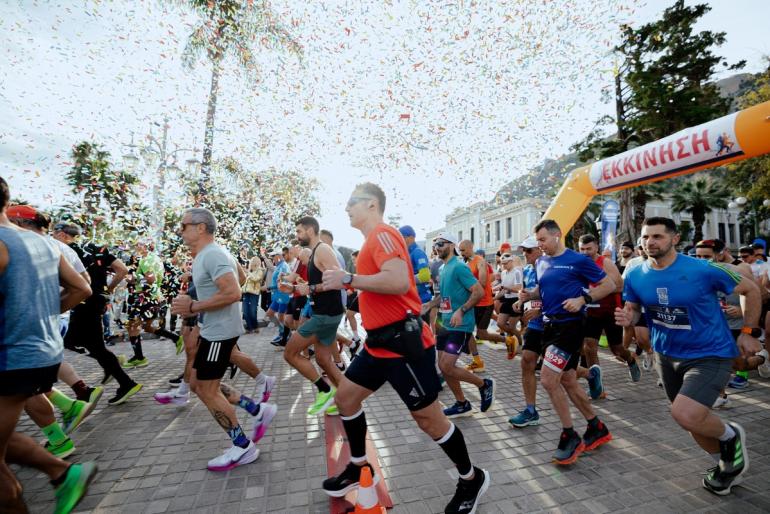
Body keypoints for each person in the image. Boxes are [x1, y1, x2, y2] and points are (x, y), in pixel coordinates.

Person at [321, 183, 489, 514]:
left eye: (351, 202)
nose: (346, 209)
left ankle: (472, 478)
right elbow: (381, 288)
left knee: (429, 420)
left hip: (404, 347)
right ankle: (358, 465)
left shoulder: (383, 233)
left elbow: (398, 281)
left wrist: (348, 279)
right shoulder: (371, 241)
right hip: (379, 345)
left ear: (371, 204)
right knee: (345, 398)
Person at [616, 217, 762, 495]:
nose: (650, 242)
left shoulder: (703, 269)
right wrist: (628, 316)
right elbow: (634, 308)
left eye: (658, 236)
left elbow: (751, 290)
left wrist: (748, 331)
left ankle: (731, 437)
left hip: (710, 352)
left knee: (685, 413)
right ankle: (727, 465)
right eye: (646, 237)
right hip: (666, 355)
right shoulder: (635, 274)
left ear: (674, 239)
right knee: (691, 420)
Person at [0, 177, 98, 513]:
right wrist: (41, 314)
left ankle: (62, 472)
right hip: (41, 352)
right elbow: (82, 290)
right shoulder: (43, 243)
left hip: (11, 356)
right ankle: (61, 471)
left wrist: (26, 316)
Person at [171, 208, 276, 471]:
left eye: (184, 226)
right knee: (198, 384)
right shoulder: (215, 253)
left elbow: (233, 293)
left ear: (201, 227)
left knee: (208, 390)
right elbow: (239, 278)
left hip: (219, 333)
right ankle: (257, 410)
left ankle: (243, 447)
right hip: (215, 330)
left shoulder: (213, 254)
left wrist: (193, 307)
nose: (180, 230)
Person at [520, 219, 615, 465]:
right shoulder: (541, 262)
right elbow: (546, 290)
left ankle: (569, 435)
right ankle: (596, 426)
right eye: (537, 241)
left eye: (542, 240)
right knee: (569, 380)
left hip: (570, 326)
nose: (539, 245)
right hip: (549, 326)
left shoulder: (578, 260)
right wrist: (529, 299)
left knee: (549, 379)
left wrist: (583, 299)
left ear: (557, 235)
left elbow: (610, 284)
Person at [422, 233, 495, 418]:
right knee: (443, 366)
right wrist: (430, 304)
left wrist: (461, 311)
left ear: (451, 245)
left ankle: (484, 384)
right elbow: (445, 296)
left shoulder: (459, 267)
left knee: (447, 365)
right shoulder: (444, 268)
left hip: (459, 326)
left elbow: (478, 291)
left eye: (441, 243)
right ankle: (462, 403)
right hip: (444, 323)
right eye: (435, 244)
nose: (437, 247)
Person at [283, 217, 347, 415]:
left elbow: (341, 280)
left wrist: (308, 288)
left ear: (310, 230)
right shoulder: (314, 254)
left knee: (290, 353)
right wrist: (294, 288)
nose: (297, 236)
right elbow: (317, 285)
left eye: (299, 232)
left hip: (326, 315)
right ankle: (347, 399)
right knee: (323, 360)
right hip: (324, 313)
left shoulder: (323, 250)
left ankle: (325, 390)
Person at [577, 234, 640, 383]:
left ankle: (630, 360)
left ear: (597, 247)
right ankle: (595, 382)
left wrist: (596, 291)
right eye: (582, 249)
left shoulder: (605, 263)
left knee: (617, 349)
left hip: (610, 310)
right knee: (589, 346)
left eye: (589, 249)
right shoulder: (579, 264)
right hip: (591, 312)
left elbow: (619, 286)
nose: (585, 252)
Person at [458, 239, 518, 369]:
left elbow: (483, 282)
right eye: (460, 250)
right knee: (467, 332)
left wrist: (464, 286)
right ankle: (477, 361)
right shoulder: (466, 263)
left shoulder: (480, 261)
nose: (461, 253)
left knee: (481, 334)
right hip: (473, 303)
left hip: (484, 304)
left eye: (463, 250)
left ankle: (508, 340)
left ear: (470, 247)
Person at [508, 236, 546, 427]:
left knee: (565, 374)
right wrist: (519, 301)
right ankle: (530, 410)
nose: (525, 254)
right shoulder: (527, 270)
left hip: (553, 324)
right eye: (523, 251)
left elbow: (557, 296)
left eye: (529, 251)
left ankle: (590, 375)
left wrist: (540, 309)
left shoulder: (548, 268)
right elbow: (525, 291)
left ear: (540, 249)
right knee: (526, 362)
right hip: (534, 326)